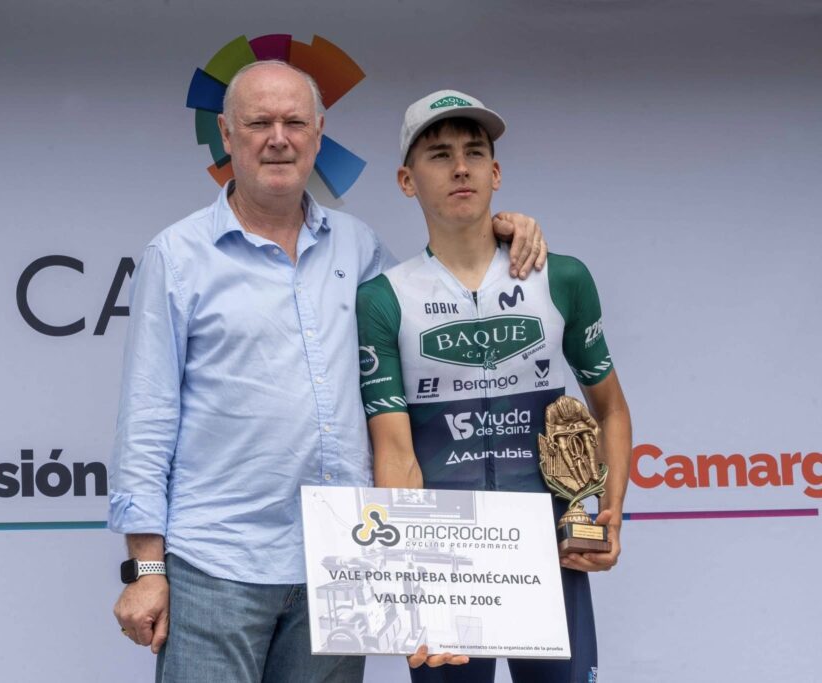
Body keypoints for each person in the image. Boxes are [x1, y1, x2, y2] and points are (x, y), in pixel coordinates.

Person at [109, 64, 547, 683]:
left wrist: (499, 230)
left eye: (294, 122)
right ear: (227, 136)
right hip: (217, 564)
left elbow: (438, 297)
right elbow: (147, 418)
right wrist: (146, 569)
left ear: (319, 133)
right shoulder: (177, 256)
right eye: (259, 123)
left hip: (341, 563)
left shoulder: (359, 247)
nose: (278, 139)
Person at [356, 89, 632, 682]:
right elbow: (396, 454)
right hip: (444, 562)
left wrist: (608, 514)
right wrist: (407, 579)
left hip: (551, 549)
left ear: (496, 173)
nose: (460, 167)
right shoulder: (384, 298)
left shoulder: (562, 277)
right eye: (439, 155)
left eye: (474, 152)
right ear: (406, 180)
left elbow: (610, 410)